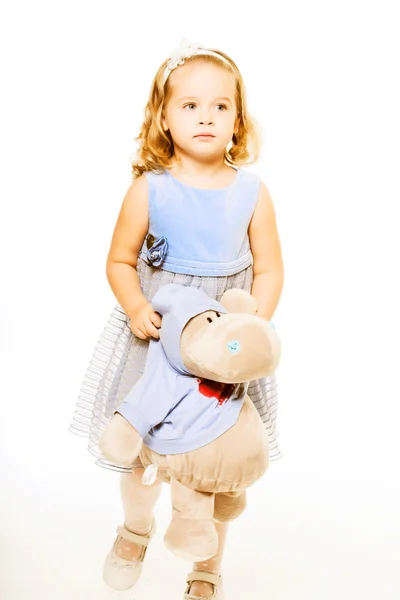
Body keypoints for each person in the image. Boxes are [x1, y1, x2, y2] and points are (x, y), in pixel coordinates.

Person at [69, 38, 285, 600]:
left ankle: (206, 568)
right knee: (142, 453)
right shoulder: (149, 189)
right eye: (189, 105)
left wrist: (251, 325)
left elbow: (269, 269)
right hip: (159, 340)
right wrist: (138, 307)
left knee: (216, 462)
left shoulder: (252, 193)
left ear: (238, 119)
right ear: (163, 117)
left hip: (222, 348)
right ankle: (135, 529)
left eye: (220, 105)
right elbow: (120, 261)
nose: (206, 116)